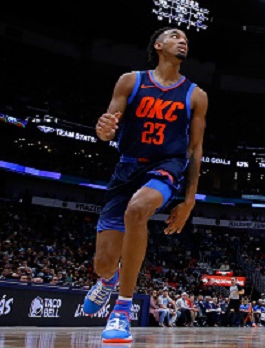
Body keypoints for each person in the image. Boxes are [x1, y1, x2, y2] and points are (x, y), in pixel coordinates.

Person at [81, 26, 208, 342]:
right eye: (176, 36)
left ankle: (121, 310)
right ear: (159, 45)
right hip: (126, 169)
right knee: (103, 264)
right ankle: (108, 281)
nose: (183, 41)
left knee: (138, 210)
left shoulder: (196, 95)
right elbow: (108, 127)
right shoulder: (130, 80)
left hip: (166, 168)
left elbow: (195, 149)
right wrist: (102, 129)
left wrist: (189, 200)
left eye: (186, 40)